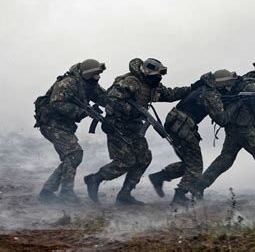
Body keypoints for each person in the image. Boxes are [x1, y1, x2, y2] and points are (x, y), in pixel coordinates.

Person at [84, 58, 191, 205]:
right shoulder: (131, 82)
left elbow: (171, 95)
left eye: (160, 76)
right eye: (156, 75)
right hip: (117, 125)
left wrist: (192, 88)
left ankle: (125, 194)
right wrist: (131, 111)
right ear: (147, 72)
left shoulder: (152, 85)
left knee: (144, 158)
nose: (159, 79)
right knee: (126, 161)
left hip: (134, 127)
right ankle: (95, 179)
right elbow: (111, 99)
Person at [194, 57, 255, 201]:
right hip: (244, 128)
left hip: (234, 127)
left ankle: (198, 187)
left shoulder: (248, 78)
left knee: (225, 160)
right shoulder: (251, 85)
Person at [148, 70, 242, 206]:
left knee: (189, 163)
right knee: (196, 166)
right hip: (183, 126)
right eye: (228, 84)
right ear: (222, 84)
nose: (229, 86)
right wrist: (236, 104)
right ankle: (179, 196)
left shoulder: (203, 87)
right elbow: (222, 119)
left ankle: (160, 177)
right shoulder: (211, 95)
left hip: (175, 122)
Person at [34, 59, 107, 203]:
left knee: (72, 157)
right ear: (87, 74)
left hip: (63, 126)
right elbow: (56, 103)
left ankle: (47, 192)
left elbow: (104, 98)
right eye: (95, 74)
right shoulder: (68, 83)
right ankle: (66, 192)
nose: (98, 77)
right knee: (74, 154)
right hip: (51, 124)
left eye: (99, 74)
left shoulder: (89, 85)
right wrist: (80, 112)